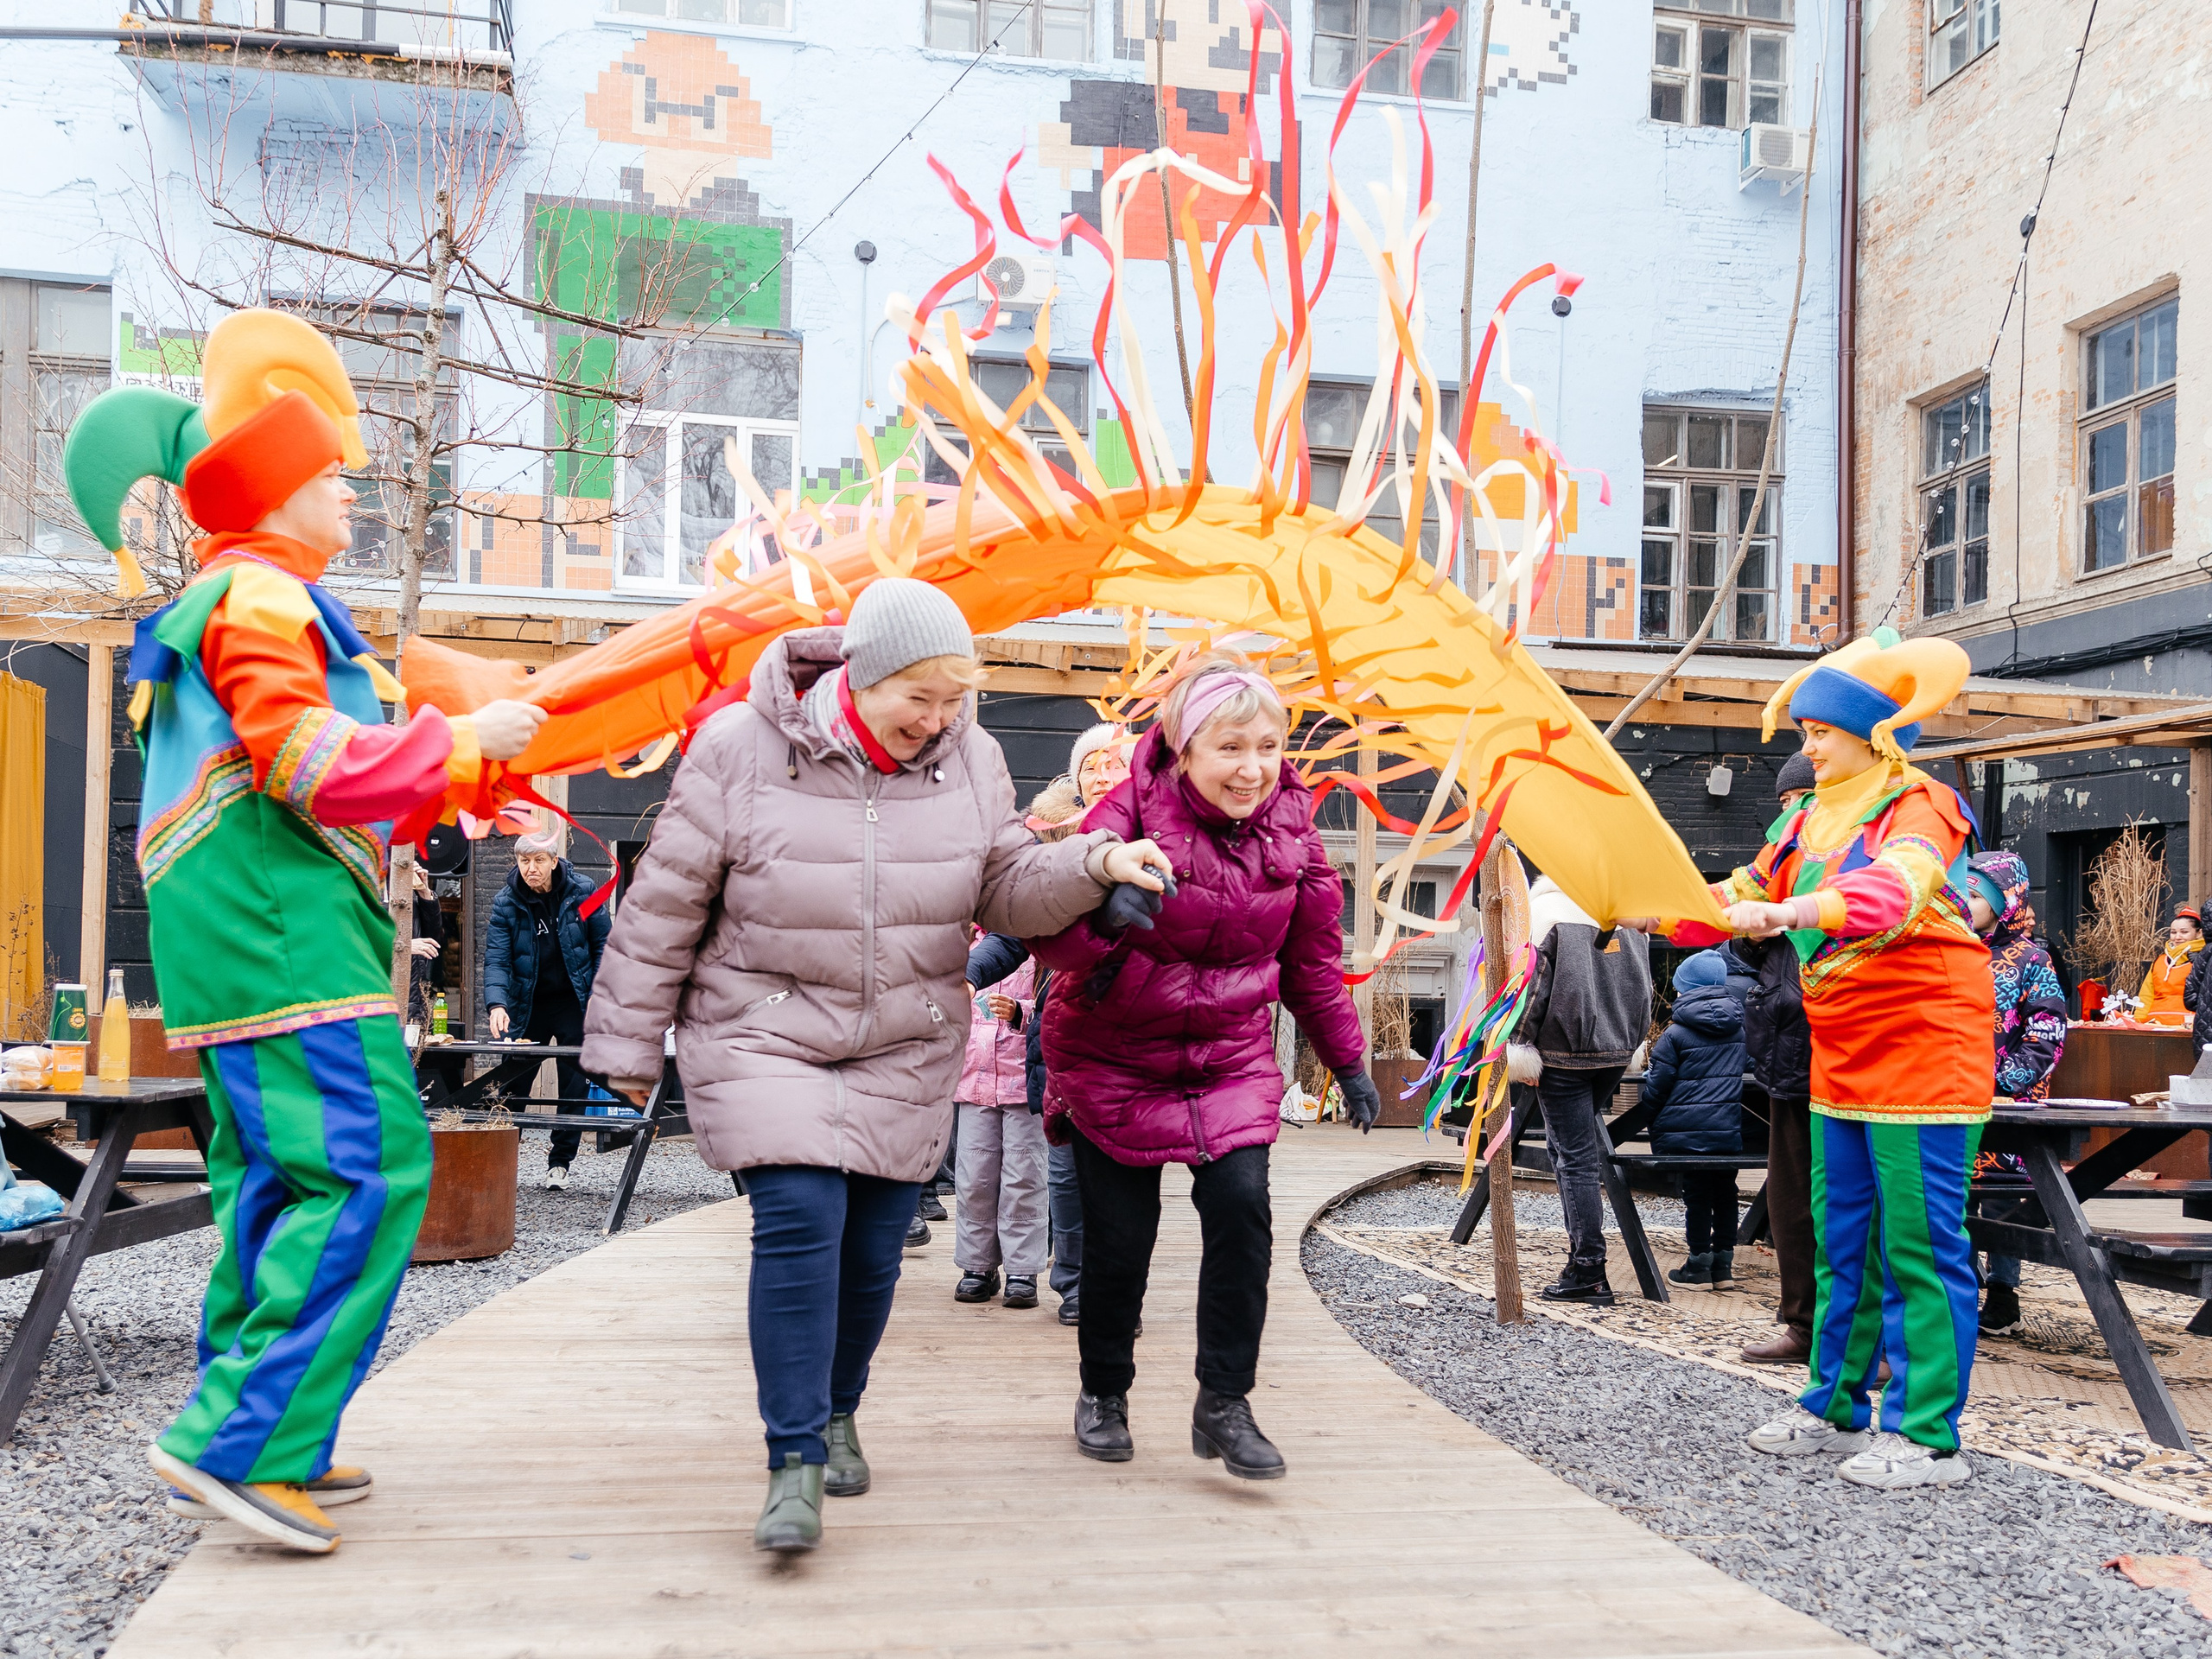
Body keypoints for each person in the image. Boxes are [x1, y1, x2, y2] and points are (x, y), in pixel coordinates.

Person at [65, 308, 545, 1551]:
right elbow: (302, 761)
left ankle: (281, 1441)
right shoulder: (263, 599)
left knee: (279, 1190)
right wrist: (454, 743)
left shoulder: (226, 600)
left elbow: (295, 765)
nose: (352, 497)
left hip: (249, 949)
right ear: (277, 496)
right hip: (290, 951)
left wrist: (449, 770)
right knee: (372, 1169)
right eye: (333, 475)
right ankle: (239, 1442)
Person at [580, 577, 1172, 1554]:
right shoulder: (739, 748)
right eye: (919, 697)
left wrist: (1095, 863)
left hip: (904, 1035)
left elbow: (1009, 887)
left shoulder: (971, 761)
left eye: (954, 699)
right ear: (859, 673)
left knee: (870, 1255)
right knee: (802, 1219)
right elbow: (665, 905)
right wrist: (626, 1044)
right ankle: (793, 1458)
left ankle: (839, 1406)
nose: (937, 720)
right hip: (764, 1024)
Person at [1659, 630, 1993, 1491]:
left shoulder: (1923, 803)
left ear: (1875, 732)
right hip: (1839, 1051)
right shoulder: (1804, 816)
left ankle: (1926, 1435)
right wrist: (1656, 900)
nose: (1805, 746)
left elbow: (1898, 888)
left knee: (1919, 1244)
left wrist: (1792, 908)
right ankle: (1835, 1408)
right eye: (1804, 728)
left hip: (1924, 1047)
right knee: (1840, 1236)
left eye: (1820, 730)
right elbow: (1741, 894)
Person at [1032, 654, 1374, 1480]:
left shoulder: (1292, 827)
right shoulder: (1125, 810)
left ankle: (1225, 1401)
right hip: (1114, 1053)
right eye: (1230, 747)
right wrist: (1103, 912)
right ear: (1183, 748)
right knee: (1120, 1243)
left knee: (1242, 1210)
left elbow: (1313, 965)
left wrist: (1349, 1062)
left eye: (1267, 746)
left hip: (1227, 1057)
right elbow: (1045, 937)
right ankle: (1103, 1391)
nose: (1252, 768)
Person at [1507, 874, 1654, 1308]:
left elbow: (1532, 990)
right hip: (1614, 1051)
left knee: (1574, 1159)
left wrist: (1518, 1045)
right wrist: (1631, 1039)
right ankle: (1583, 1262)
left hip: (1564, 1053)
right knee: (1573, 1151)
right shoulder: (1624, 916)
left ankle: (1588, 1268)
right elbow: (1644, 990)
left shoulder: (1546, 916)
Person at [1733, 751, 1820, 1367]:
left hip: (1845, 1060)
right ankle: (1804, 1325)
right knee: (1790, 1204)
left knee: (1846, 1206)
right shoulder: (1783, 861)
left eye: (1794, 802)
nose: (1785, 815)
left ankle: (1868, 1340)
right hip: (1786, 1060)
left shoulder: (1847, 856)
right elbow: (1749, 953)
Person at [1965, 849, 2066, 1336]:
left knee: (2003, 1201)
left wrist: (2005, 1080)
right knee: (1951, 1198)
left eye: (1975, 891)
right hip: (1947, 1098)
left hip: (2008, 1103)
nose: (1965, 899)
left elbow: (2047, 1029)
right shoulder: (1947, 950)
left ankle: (2004, 1292)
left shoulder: (2031, 959)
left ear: (2004, 900)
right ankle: (1959, 1288)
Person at [480, 831, 613, 1189]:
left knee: (575, 1081)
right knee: (512, 1081)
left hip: (574, 1000)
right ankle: (498, 1163)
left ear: (554, 861)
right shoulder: (506, 901)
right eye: (524, 861)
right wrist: (497, 1003)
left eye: (538, 860)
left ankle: (560, 1164)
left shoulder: (582, 891)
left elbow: (604, 943)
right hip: (528, 1002)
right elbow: (496, 959)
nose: (531, 869)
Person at [950, 929, 1049, 1308]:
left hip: (1022, 1081)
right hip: (974, 1080)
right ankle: (978, 1266)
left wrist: (1022, 1011)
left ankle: (1023, 1270)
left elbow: (1054, 1003)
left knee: (1023, 1178)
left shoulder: (1036, 944)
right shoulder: (963, 945)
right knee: (975, 1177)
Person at [1641, 950, 1745, 1291]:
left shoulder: (1676, 1034)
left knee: (1697, 1195)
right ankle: (1724, 1266)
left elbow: (1657, 1087)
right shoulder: (1739, 1028)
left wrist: (1646, 1113)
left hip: (1686, 1134)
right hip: (1728, 1130)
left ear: (1687, 989)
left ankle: (1698, 1265)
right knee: (1726, 1193)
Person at [2139, 907, 2203, 1026]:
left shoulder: (2204, 960)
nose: (2177, 937)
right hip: (2154, 1023)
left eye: (2184, 932)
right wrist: (2139, 1020)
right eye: (2173, 932)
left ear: (2199, 933)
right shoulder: (2160, 960)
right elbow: (2146, 995)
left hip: (2190, 1024)